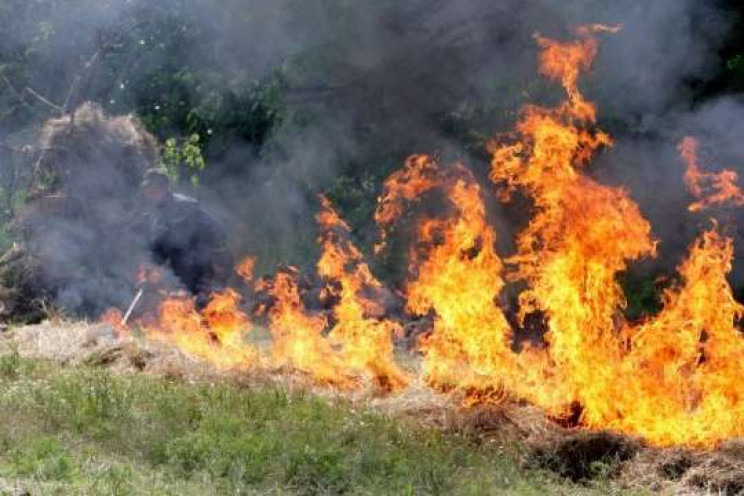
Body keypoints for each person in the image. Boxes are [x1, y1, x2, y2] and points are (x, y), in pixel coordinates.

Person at [140, 169, 234, 306]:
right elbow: (161, 246)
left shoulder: (183, 206)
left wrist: (155, 261)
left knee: (202, 305)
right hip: (183, 266)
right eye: (148, 189)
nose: (150, 193)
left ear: (165, 188)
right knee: (181, 305)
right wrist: (151, 268)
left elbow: (172, 240)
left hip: (202, 264)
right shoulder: (159, 212)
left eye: (154, 188)